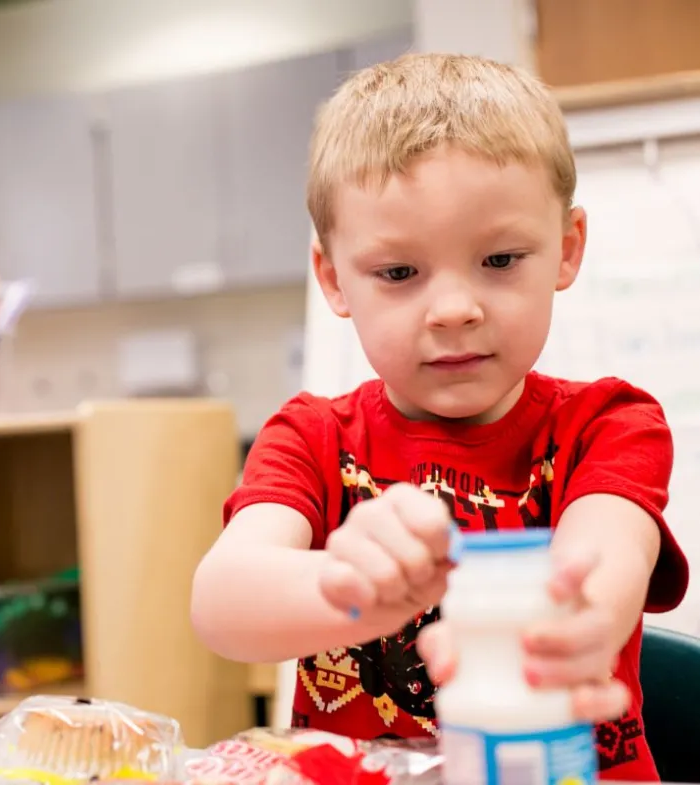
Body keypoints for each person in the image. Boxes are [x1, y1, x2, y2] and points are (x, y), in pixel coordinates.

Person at [190, 52, 688, 782]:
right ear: (333, 278)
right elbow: (222, 601)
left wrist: (576, 617)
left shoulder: (609, 423)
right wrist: (347, 587)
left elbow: (606, 561)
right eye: (398, 273)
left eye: (499, 259)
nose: (455, 308)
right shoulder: (311, 437)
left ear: (566, 248)